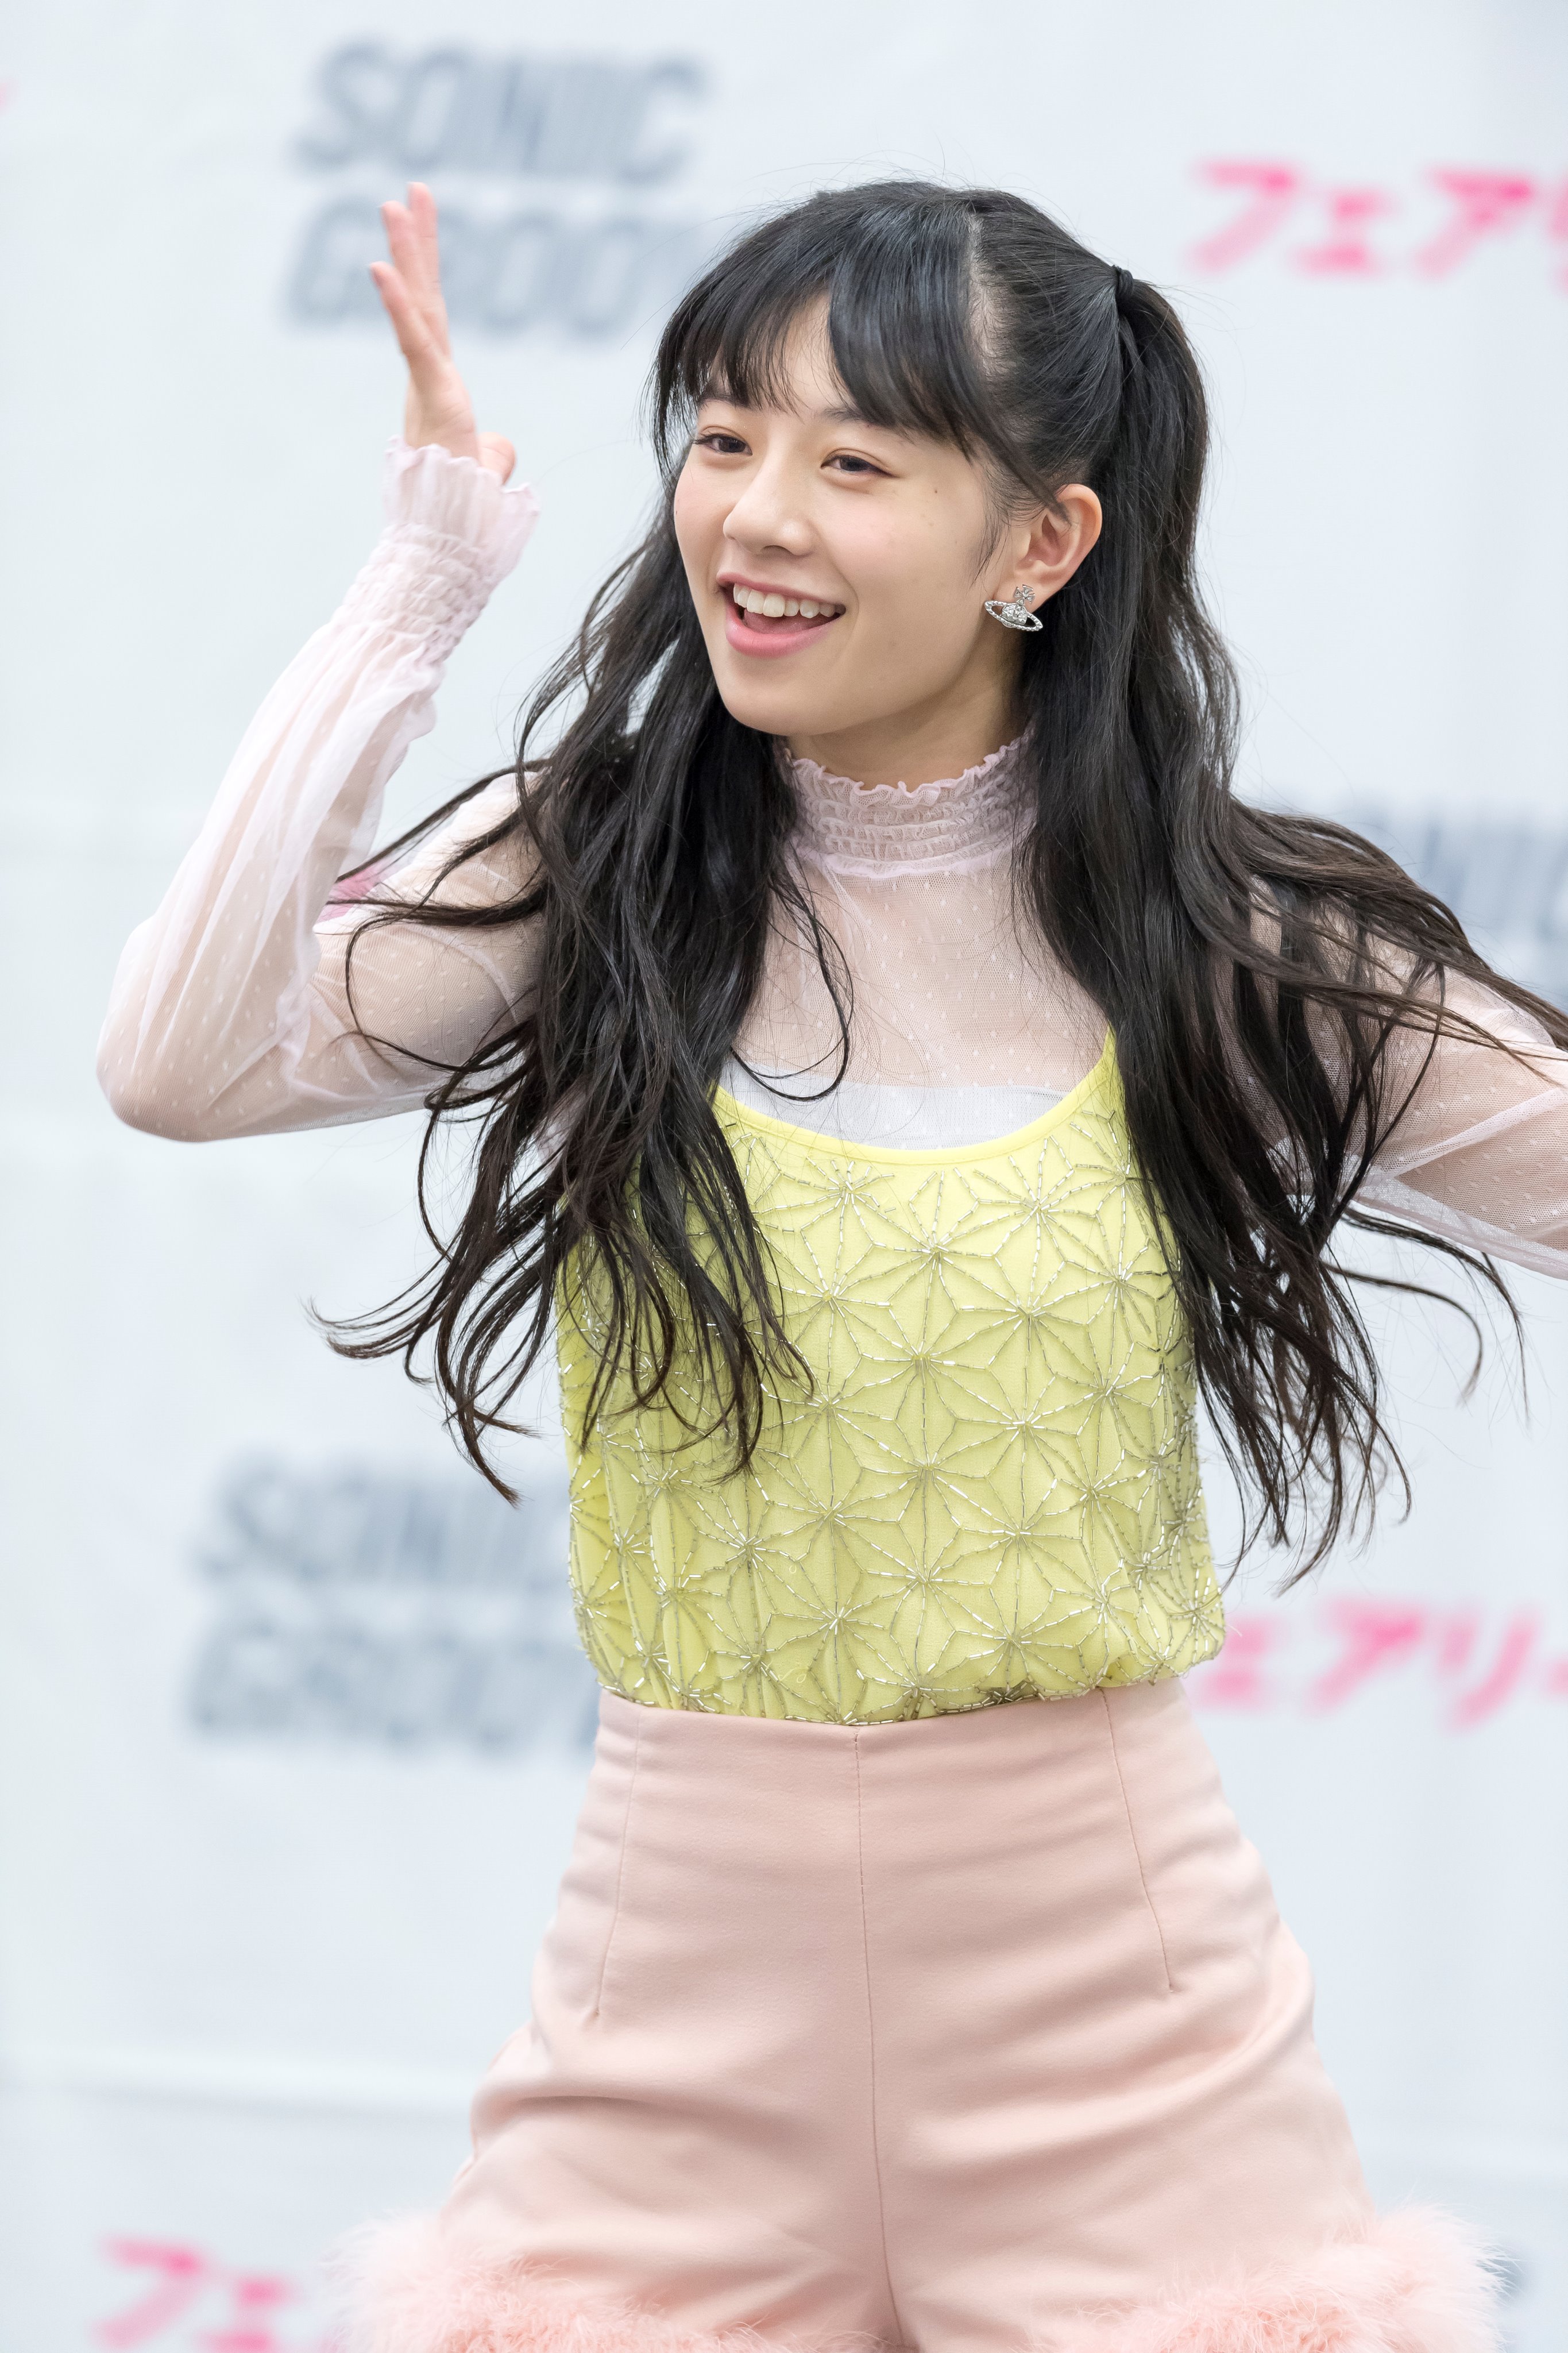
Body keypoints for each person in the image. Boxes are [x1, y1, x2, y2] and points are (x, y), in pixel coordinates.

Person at [99, 178, 1566, 2353]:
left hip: (1118, 2005)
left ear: (1040, 542)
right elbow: (181, 1063)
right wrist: (418, 586)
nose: (756, 517)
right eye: (721, 436)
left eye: (854, 460)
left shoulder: (1224, 945)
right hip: (673, 1998)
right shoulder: (594, 871)